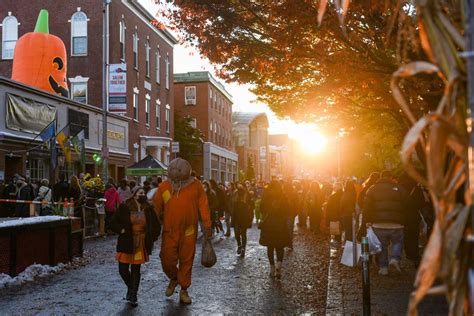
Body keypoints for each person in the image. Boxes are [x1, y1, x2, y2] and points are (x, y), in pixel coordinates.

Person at [153, 158, 212, 305]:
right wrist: (150, 225)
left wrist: (207, 225)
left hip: (189, 230)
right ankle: (174, 278)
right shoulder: (165, 186)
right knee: (167, 259)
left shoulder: (196, 185)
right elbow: (155, 207)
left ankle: (184, 289)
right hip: (169, 230)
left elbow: (203, 205)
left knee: (187, 260)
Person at [110, 186, 160, 307]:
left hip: (140, 243)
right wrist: (121, 230)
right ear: (134, 194)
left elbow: (156, 225)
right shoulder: (125, 206)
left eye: (143, 193)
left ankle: (133, 295)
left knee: (136, 270)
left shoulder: (148, 208)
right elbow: (112, 222)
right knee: (122, 270)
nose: (142, 195)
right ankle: (131, 288)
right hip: (127, 241)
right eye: (139, 193)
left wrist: (151, 237)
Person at [364, 170, 408, 275]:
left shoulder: (372, 189)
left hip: (378, 223)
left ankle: (383, 268)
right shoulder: (400, 189)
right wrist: (404, 219)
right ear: (391, 177)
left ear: (380, 177)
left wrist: (367, 220)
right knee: (397, 242)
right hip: (397, 223)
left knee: (382, 246)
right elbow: (407, 205)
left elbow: (367, 206)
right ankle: (395, 259)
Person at [259, 180, 290, 279]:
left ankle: (272, 267)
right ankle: (279, 266)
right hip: (280, 225)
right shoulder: (283, 196)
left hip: (268, 225)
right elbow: (287, 210)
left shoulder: (266, 195)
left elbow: (261, 209)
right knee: (280, 247)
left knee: (270, 247)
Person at [233, 184, 253, 257]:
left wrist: (250, 216)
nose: (240, 187)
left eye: (241, 186)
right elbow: (232, 204)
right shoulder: (235, 194)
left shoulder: (247, 194)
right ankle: (239, 245)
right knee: (237, 233)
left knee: (243, 233)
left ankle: (243, 249)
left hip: (244, 217)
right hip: (236, 217)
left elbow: (251, 206)